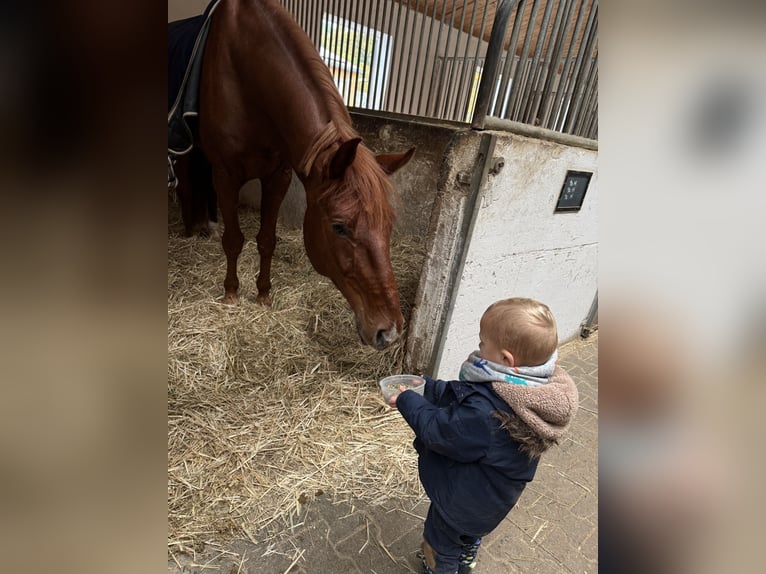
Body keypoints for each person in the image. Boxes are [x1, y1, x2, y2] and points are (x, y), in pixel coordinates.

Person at [387, 297, 579, 574]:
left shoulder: (488, 412)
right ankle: (467, 559)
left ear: (505, 359)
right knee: (467, 536)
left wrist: (407, 401)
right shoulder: (529, 387)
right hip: (491, 500)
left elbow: (439, 431)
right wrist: (426, 388)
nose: (478, 348)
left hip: (461, 502)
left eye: (482, 343)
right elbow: (461, 395)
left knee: (439, 543)